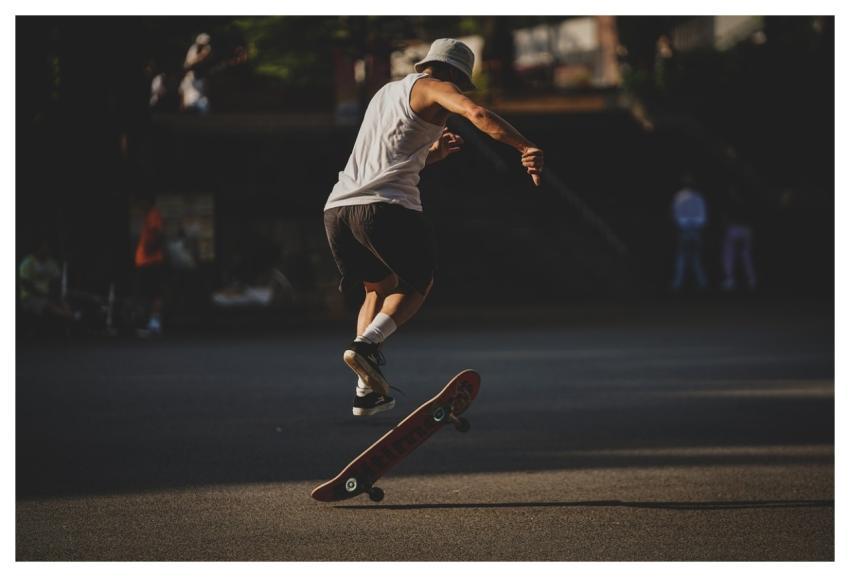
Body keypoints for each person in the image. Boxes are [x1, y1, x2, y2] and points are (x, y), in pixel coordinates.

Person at [323, 38, 544, 416]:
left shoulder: (384, 95)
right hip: (387, 209)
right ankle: (367, 347)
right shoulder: (436, 87)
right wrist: (525, 146)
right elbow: (477, 114)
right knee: (418, 282)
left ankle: (366, 391)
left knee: (376, 290)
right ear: (452, 73)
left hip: (339, 209)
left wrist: (432, 155)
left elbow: (388, 159)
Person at [19, 240, 75, 323]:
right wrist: (43, 295)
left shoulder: (51, 263)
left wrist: (54, 293)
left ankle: (70, 316)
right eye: (43, 248)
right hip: (29, 297)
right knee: (48, 306)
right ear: (37, 249)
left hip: (48, 295)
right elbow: (26, 285)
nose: (46, 250)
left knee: (63, 302)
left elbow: (57, 280)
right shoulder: (27, 263)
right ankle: (70, 318)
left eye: (47, 248)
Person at [671, 179, 708, 292]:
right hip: (694, 229)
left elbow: (676, 215)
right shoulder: (698, 197)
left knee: (683, 258)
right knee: (694, 258)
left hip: (685, 229)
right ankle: (701, 283)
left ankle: (678, 284)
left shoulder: (679, 197)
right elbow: (703, 217)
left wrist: (683, 223)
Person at [135, 194, 165, 335]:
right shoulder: (150, 215)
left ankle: (153, 323)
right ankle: (150, 322)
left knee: (153, 294)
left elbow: (158, 233)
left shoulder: (153, 215)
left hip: (151, 262)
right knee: (149, 293)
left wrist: (149, 248)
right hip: (147, 262)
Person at [721, 186, 757, 291]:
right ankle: (751, 280)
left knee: (729, 255)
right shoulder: (748, 200)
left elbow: (724, 216)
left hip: (734, 228)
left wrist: (725, 226)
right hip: (747, 229)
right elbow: (753, 216)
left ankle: (730, 280)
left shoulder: (730, 201)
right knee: (746, 255)